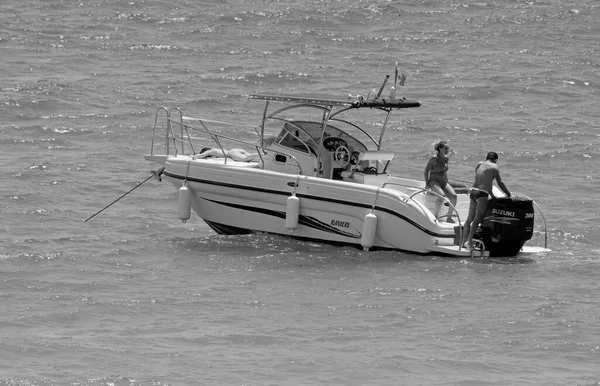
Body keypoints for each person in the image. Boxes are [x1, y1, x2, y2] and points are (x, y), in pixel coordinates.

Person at [460, 151, 511, 250]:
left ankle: (462, 242)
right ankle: (469, 242)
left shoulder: (480, 164)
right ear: (496, 160)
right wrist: (508, 194)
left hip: (473, 191)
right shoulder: (494, 167)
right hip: (482, 194)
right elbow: (500, 182)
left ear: (486, 158)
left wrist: (491, 194)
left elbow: (483, 180)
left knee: (469, 219)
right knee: (477, 219)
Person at [423, 140, 457, 222]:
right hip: (434, 181)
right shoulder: (435, 158)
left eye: (448, 148)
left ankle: (448, 217)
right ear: (440, 149)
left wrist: (447, 183)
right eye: (445, 148)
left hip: (443, 181)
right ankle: (435, 217)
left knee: (454, 196)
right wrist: (427, 184)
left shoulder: (446, 158)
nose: (447, 149)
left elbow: (445, 172)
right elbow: (426, 170)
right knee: (442, 196)